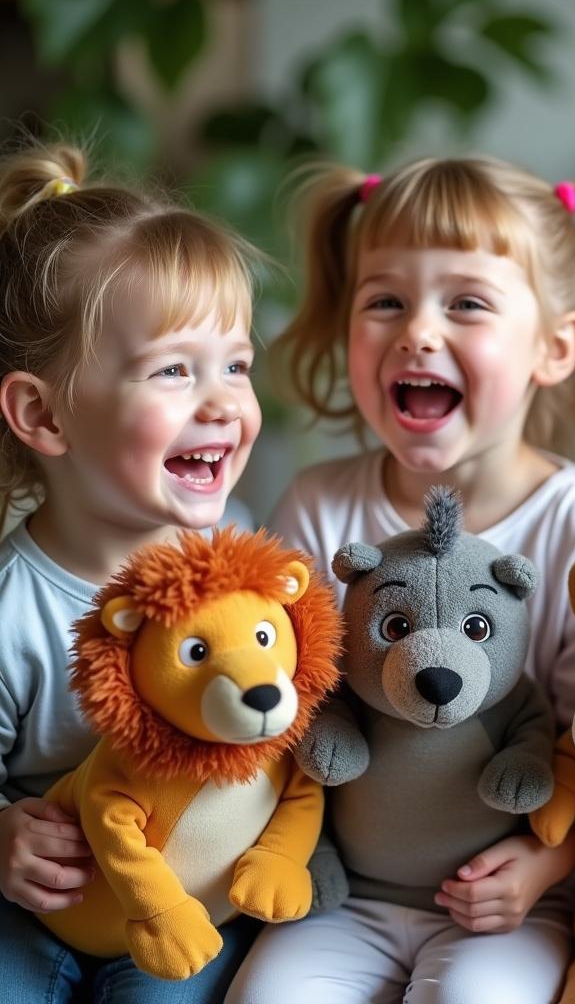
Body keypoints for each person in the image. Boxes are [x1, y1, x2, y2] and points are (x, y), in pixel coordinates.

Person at [227, 156, 575, 1003]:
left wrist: (547, 863)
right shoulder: (317, 506)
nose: (417, 332)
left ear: (556, 346)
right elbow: (278, 702)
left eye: (466, 303)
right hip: (341, 891)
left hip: (512, 901)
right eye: (385, 300)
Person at [0, 143, 263, 1004]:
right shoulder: (14, 606)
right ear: (43, 413)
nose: (223, 401)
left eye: (236, 364)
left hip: (188, 906)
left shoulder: (244, 565)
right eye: (175, 370)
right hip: (46, 905)